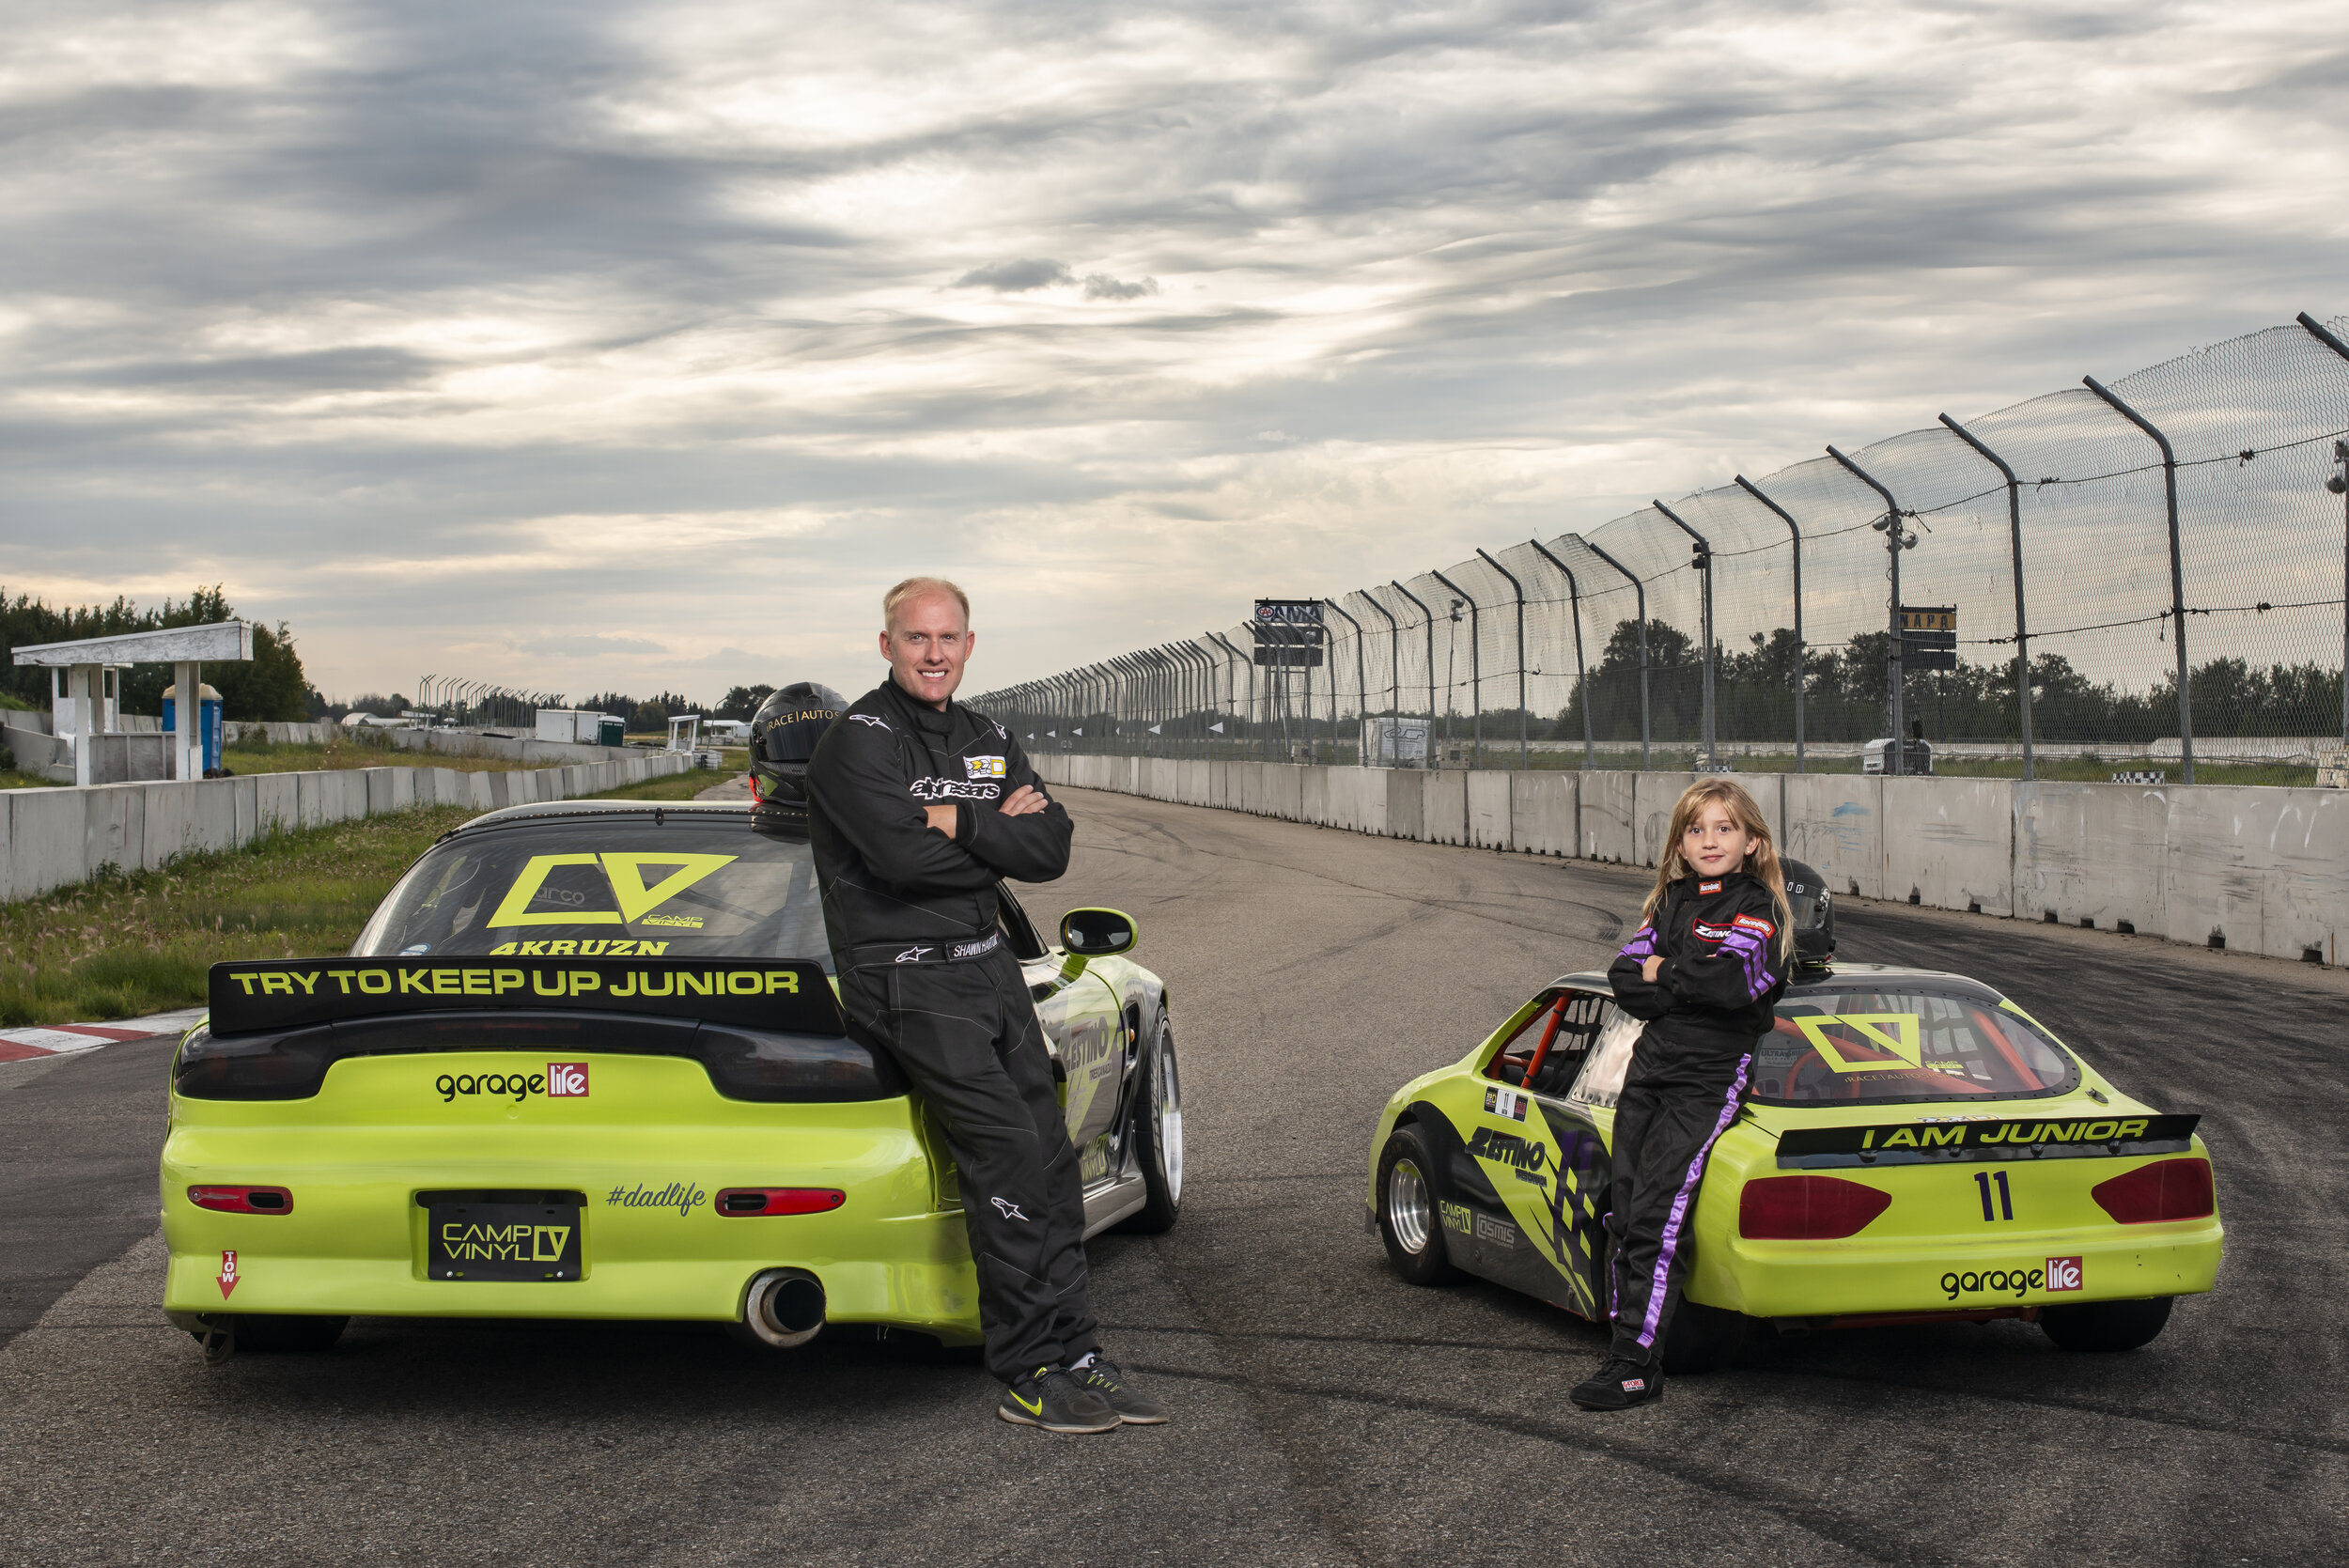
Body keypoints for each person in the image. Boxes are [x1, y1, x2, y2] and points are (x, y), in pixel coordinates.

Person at [803, 576, 1164, 1435]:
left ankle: (1078, 1351)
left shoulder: (987, 733)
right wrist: (989, 826)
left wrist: (954, 822)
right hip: (905, 976)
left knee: (1048, 1151)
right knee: (1004, 1152)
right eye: (916, 637)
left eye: (949, 638)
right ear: (885, 644)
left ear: (970, 645)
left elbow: (1051, 845)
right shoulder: (856, 742)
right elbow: (898, 862)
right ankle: (1031, 1366)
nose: (934, 653)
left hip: (988, 968)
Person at [1571, 778, 1795, 1412]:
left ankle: (1638, 1365)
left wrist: (1664, 971)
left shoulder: (1759, 909)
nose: (1709, 840)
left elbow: (1731, 986)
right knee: (1622, 1206)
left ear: (1752, 841)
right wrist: (1681, 979)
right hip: (1650, 1065)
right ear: (1680, 842)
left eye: (1724, 828)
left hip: (1709, 1074)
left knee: (1656, 1216)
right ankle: (1623, 1344)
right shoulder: (1670, 902)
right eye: (1696, 829)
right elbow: (1623, 977)